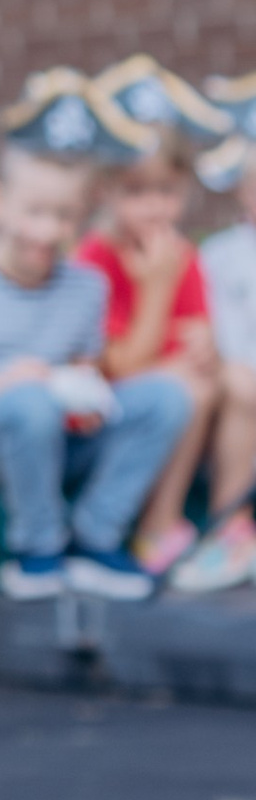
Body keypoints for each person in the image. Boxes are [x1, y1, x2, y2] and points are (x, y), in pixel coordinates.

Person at [0, 89, 194, 601]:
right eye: (34, 212)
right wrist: (8, 384)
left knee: (168, 397)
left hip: (55, 431)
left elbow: (85, 371)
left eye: (64, 216)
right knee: (29, 404)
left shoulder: (86, 286)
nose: (48, 230)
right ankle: (37, 550)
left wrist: (87, 396)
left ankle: (93, 535)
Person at [75, 144, 246, 576]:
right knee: (190, 387)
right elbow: (120, 367)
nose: (154, 207)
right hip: (115, 414)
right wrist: (156, 286)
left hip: (182, 390)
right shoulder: (92, 261)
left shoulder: (182, 254)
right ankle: (157, 526)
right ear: (105, 193)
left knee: (242, 382)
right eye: (136, 192)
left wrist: (207, 346)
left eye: (167, 192)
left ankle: (229, 524)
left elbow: (196, 334)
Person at [174, 77, 256, 590]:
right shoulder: (221, 255)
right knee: (244, 389)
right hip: (239, 381)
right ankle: (232, 526)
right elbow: (219, 340)